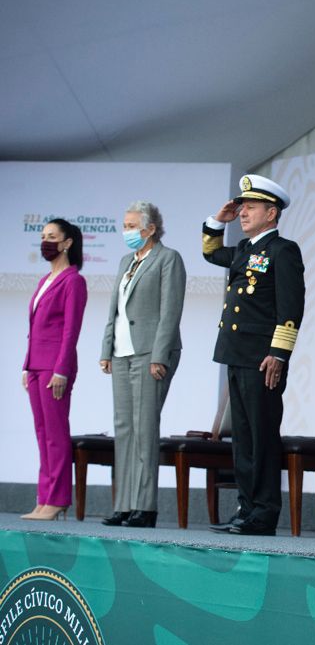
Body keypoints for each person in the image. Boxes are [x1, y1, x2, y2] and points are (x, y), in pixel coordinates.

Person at [202, 174, 305, 536]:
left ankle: (263, 513)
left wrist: (279, 353)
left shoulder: (283, 250)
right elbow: (211, 251)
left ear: (271, 212)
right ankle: (246, 509)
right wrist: (219, 220)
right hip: (236, 353)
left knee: (262, 437)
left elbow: (290, 308)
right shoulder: (244, 250)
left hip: (263, 359)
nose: (243, 212)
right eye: (242, 206)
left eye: (251, 207)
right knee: (242, 438)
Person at [99, 202, 186, 528]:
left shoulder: (168, 259)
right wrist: (106, 348)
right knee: (124, 428)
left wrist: (159, 356)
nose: (127, 231)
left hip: (151, 353)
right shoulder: (126, 261)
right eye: (125, 224)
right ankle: (123, 504)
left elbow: (170, 311)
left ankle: (144, 506)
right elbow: (115, 309)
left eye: (133, 225)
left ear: (150, 228)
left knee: (144, 428)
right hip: (122, 353)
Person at [22, 219, 87, 521]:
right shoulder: (44, 280)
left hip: (55, 367)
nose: (46, 241)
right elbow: (34, 327)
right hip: (36, 364)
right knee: (40, 432)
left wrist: (61, 369)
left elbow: (71, 330)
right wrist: (26, 365)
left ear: (67, 243)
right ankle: (44, 497)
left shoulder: (73, 280)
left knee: (56, 434)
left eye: (52, 237)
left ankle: (58, 498)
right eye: (43, 236)